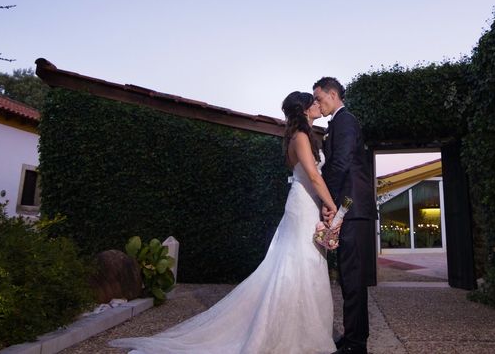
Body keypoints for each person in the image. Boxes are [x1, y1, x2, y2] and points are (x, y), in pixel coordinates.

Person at [109, 91, 339, 354]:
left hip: (308, 203)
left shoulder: (304, 136)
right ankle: (291, 333)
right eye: (314, 102)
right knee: (298, 262)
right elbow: (313, 176)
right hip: (303, 204)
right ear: (303, 109)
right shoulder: (299, 137)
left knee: (306, 262)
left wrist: (323, 205)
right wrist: (332, 205)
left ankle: (304, 330)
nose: (318, 105)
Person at [313, 77, 376, 354]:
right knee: (348, 276)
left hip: (352, 205)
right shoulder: (336, 123)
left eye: (319, 98)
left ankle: (356, 344)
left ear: (333, 94)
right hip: (348, 205)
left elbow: (341, 162)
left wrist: (330, 202)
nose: (317, 104)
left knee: (352, 277)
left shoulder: (345, 120)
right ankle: (354, 336)